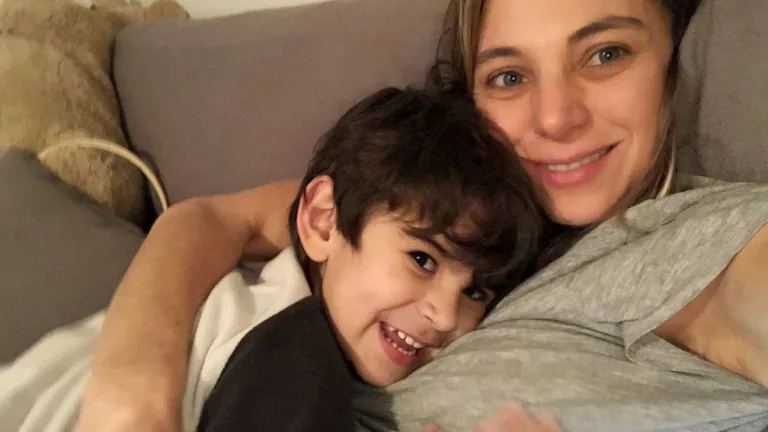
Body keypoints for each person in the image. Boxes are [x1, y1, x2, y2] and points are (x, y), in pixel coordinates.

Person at [74, 0, 768, 431]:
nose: (557, 117)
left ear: (672, 62)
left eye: (606, 54)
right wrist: (133, 393)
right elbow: (211, 219)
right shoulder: (445, 201)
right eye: (508, 76)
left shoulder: (707, 242)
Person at [0, 87, 555, 432]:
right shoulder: (294, 346)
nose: (445, 314)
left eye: (475, 291)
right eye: (423, 259)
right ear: (321, 221)